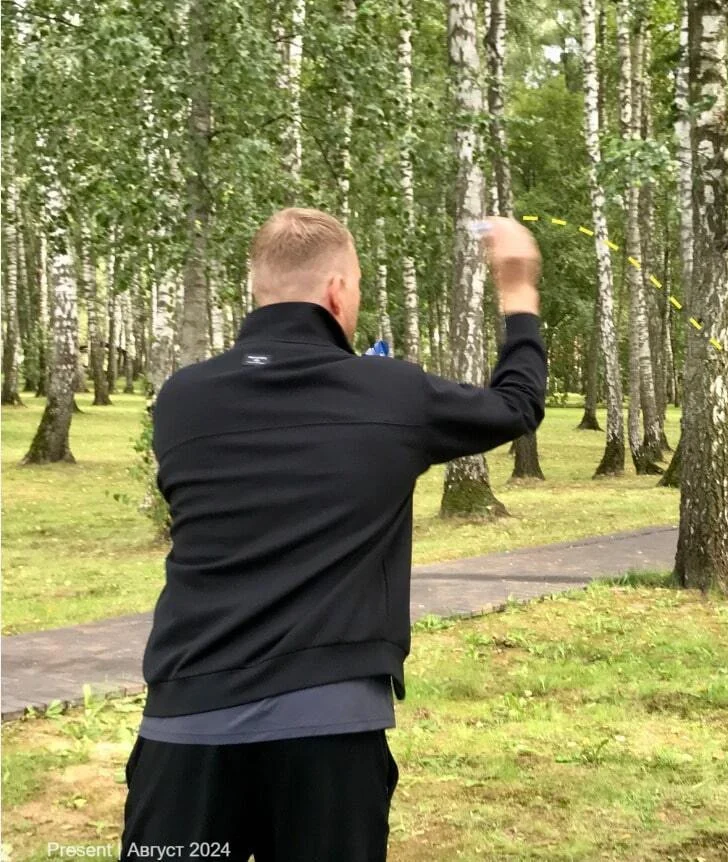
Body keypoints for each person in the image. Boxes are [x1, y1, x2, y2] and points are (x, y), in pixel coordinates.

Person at [120, 208, 546, 861]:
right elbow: (516, 405)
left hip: (185, 727)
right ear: (339, 291)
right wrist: (517, 289)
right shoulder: (392, 394)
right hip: (330, 730)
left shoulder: (181, 399)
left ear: (257, 288)